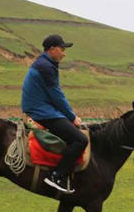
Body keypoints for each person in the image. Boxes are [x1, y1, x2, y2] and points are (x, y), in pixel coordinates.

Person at [21, 34, 87, 194]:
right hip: (42, 112)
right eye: (62, 49)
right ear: (51, 49)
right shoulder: (46, 66)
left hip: (44, 109)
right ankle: (57, 176)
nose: (64, 53)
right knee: (80, 140)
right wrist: (73, 117)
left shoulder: (45, 63)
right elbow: (57, 96)